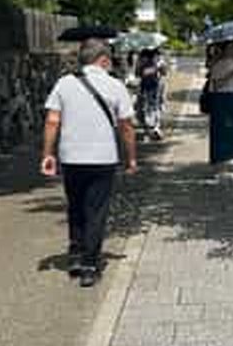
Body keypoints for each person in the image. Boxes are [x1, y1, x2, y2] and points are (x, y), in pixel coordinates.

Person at [41, 39, 137, 287]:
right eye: (109, 60)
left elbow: (52, 120)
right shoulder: (115, 85)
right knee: (96, 211)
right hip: (103, 158)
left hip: (71, 157)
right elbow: (126, 126)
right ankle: (89, 265)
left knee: (75, 206)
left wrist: (48, 154)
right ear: (103, 60)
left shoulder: (64, 83)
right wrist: (131, 157)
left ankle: (75, 255)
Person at [208, 41, 233, 164]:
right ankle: (226, 154)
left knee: (227, 126)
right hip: (224, 96)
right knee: (226, 125)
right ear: (226, 49)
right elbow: (217, 84)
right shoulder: (223, 62)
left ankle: (225, 153)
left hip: (227, 96)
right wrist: (232, 74)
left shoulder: (228, 61)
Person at [136, 47, 167, 140]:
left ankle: (153, 129)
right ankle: (152, 129)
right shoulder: (148, 63)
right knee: (149, 108)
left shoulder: (157, 62)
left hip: (153, 88)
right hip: (148, 88)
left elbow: (164, 73)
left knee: (151, 107)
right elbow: (138, 73)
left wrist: (158, 67)